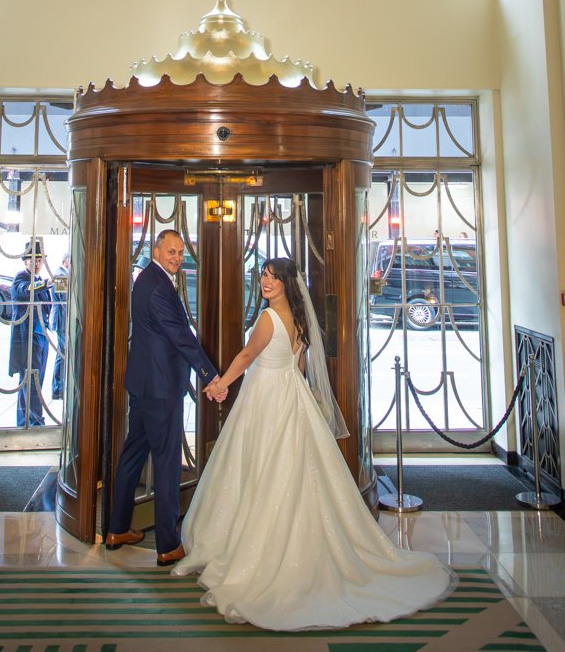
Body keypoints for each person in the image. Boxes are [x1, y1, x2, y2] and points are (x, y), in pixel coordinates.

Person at [174, 256, 456, 631]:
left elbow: (247, 356)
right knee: (293, 470)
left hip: (268, 398)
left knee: (263, 469)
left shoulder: (267, 318)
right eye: (263, 276)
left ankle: (260, 549)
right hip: (292, 395)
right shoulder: (300, 319)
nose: (265, 282)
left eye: (273, 278)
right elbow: (300, 367)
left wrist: (221, 383)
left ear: (287, 283)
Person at [107, 229, 224, 566]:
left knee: (131, 457)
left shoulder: (145, 279)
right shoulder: (157, 286)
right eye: (170, 251)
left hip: (143, 385)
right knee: (167, 462)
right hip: (160, 390)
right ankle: (168, 545)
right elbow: (181, 337)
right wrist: (209, 376)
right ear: (155, 250)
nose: (176, 257)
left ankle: (117, 528)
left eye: (180, 252)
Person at [8, 238, 52, 428]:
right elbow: (22, 291)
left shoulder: (39, 280)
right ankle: (32, 420)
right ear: (25, 261)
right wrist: (45, 285)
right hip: (28, 337)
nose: (37, 263)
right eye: (33, 260)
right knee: (30, 379)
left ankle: (29, 418)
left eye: (40, 260)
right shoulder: (22, 278)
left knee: (37, 379)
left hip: (40, 335)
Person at [50, 254, 69, 402]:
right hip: (62, 320)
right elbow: (63, 298)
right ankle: (58, 389)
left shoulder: (62, 274)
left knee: (62, 355)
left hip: (62, 319)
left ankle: (59, 388)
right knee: (62, 355)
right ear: (66, 261)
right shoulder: (61, 275)